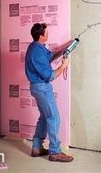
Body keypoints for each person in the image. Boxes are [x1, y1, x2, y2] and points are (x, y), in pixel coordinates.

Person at [25, 23, 74, 162]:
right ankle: (54, 152)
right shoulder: (37, 52)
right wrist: (63, 65)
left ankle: (36, 148)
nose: (48, 34)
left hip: (38, 87)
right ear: (41, 36)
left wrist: (66, 47)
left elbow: (50, 56)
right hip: (41, 88)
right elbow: (50, 76)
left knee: (44, 117)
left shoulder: (36, 46)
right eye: (46, 33)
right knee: (54, 117)